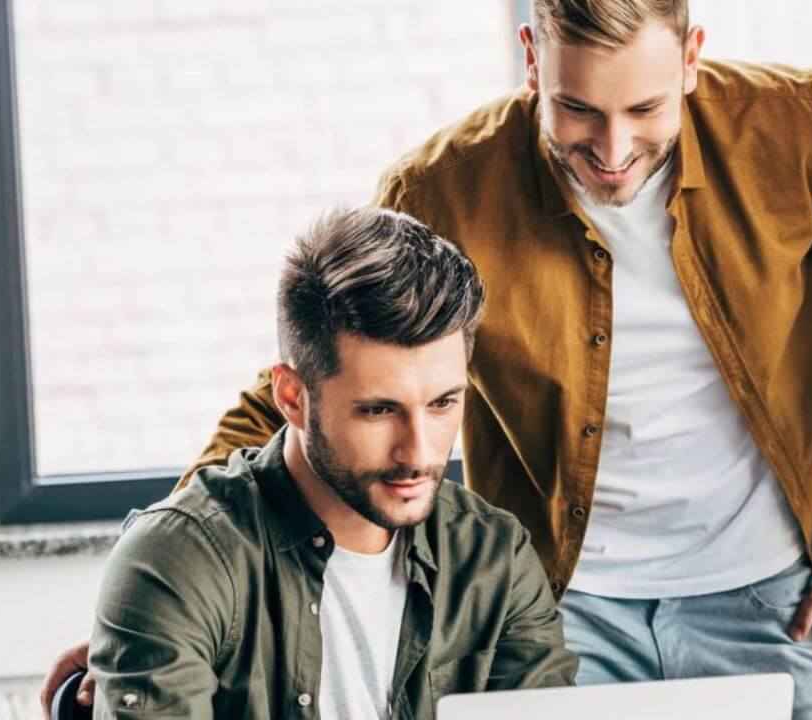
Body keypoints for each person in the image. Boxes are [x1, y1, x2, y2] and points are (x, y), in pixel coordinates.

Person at [43, 2, 812, 717]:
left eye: (646, 110)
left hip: (772, 588)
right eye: (577, 108)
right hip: (559, 603)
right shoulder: (442, 187)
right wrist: (146, 592)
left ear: (692, 56)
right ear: (532, 59)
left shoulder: (806, 126)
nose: (613, 151)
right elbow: (318, 381)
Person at [83, 207, 577, 719]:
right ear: (293, 397)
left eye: (442, 404)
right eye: (379, 410)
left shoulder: (494, 556)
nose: (421, 453)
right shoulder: (181, 564)